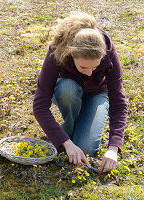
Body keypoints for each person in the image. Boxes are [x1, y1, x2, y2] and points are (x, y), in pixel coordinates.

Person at [33, 11, 127, 172]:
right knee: (67, 89)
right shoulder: (57, 52)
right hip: (66, 91)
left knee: (86, 149)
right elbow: (39, 106)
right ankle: (68, 135)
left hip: (97, 94)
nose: (90, 73)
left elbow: (118, 103)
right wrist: (67, 144)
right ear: (71, 54)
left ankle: (70, 132)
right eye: (83, 67)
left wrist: (113, 148)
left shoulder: (109, 52)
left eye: (95, 67)